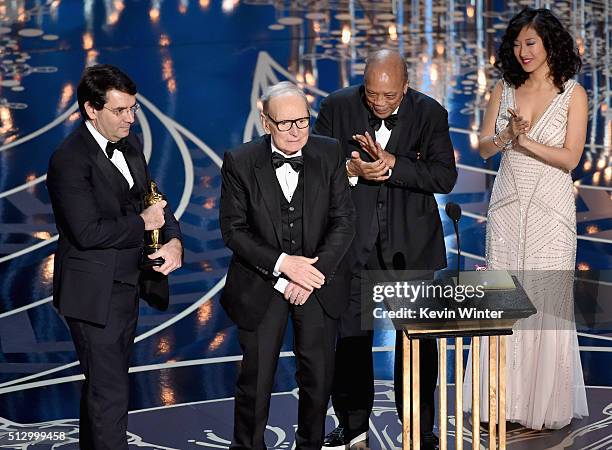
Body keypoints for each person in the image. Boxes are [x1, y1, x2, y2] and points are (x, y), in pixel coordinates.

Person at [313, 49, 457, 450]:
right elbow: (316, 166)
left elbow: (444, 176)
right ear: (363, 84)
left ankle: (419, 428)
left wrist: (393, 165)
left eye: (389, 96)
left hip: (410, 249)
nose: (379, 102)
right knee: (351, 343)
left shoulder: (430, 113)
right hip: (351, 248)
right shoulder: (337, 106)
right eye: (372, 94)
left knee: (418, 345)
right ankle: (353, 425)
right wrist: (351, 170)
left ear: (405, 88)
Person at [463, 7, 589, 430]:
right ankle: (499, 400)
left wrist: (524, 140)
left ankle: (542, 405)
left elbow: (570, 157)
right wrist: (504, 137)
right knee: (505, 300)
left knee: (545, 303)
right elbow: (483, 148)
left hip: (551, 213)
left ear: (550, 43)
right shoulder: (505, 88)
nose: (522, 52)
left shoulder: (574, 94)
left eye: (530, 43)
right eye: (516, 45)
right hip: (507, 206)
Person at [46, 64, 183, 449]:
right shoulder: (69, 159)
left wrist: (173, 239)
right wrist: (142, 223)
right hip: (94, 295)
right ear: (92, 109)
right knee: (110, 395)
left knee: (105, 391)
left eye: (133, 109)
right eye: (120, 111)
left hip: (126, 287)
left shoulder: (130, 143)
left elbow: (151, 196)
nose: (130, 119)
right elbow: (86, 233)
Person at [219, 81, 355, 450]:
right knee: (256, 380)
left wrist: (311, 274)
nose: (296, 132)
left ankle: (309, 445)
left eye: (303, 122)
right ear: (266, 122)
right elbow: (234, 231)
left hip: (317, 284)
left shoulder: (329, 153)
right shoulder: (240, 161)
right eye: (286, 124)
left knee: (318, 377)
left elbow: (344, 221)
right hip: (262, 285)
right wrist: (284, 265)